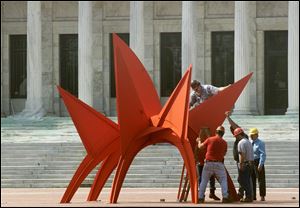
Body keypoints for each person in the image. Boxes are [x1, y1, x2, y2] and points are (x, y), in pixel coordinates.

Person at [225, 111, 254, 202]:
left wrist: (228, 118)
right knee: (243, 179)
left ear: (238, 135)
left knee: (243, 180)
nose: (235, 136)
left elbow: (242, 154)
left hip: (244, 163)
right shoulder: (246, 140)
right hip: (248, 163)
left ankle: (248, 196)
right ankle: (243, 194)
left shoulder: (241, 141)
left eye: (235, 135)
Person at [197, 126, 231, 203]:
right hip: (219, 163)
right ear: (223, 134)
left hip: (208, 163)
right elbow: (224, 153)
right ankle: (225, 197)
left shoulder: (210, 139)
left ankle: (200, 197)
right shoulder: (224, 143)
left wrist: (199, 141)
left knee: (204, 181)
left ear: (216, 132)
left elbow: (200, 147)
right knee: (223, 180)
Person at [195, 127, 220, 201]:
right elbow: (196, 152)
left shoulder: (209, 141)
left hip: (208, 162)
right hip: (201, 163)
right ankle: (201, 195)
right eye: (203, 132)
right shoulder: (199, 142)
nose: (205, 133)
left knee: (212, 178)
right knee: (201, 179)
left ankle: (211, 193)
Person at [249, 128, 266, 201]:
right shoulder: (249, 142)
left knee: (261, 180)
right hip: (251, 162)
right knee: (252, 180)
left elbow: (263, 154)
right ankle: (253, 196)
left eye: (252, 135)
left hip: (258, 161)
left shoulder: (260, 143)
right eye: (250, 135)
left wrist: (261, 164)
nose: (251, 136)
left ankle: (262, 196)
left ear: (256, 135)